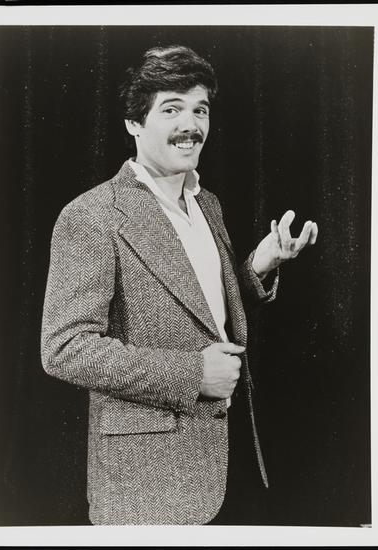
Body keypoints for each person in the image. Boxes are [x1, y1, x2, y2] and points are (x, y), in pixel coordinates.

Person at [41, 45, 318, 525]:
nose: (191, 125)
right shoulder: (91, 215)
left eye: (200, 110)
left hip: (223, 459)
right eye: (171, 109)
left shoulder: (207, 204)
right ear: (134, 123)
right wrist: (194, 374)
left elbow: (201, 306)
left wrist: (259, 266)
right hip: (146, 481)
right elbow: (64, 348)